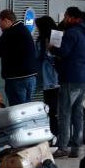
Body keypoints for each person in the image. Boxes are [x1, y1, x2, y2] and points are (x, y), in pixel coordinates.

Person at [54, 7, 85, 158]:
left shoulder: (72, 33)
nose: (64, 19)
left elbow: (63, 52)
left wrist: (52, 48)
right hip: (84, 78)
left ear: (71, 17)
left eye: (65, 16)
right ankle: (77, 147)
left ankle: (63, 147)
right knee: (78, 113)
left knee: (65, 112)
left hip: (70, 77)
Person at [0, 9, 38, 105]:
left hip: (17, 78)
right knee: (26, 107)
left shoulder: (11, 32)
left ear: (6, 21)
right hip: (30, 77)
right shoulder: (22, 29)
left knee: (17, 109)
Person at [33, 15, 61, 144]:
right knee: (52, 109)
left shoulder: (49, 39)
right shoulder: (46, 39)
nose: (37, 29)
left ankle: (55, 135)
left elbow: (42, 57)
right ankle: (54, 135)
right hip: (50, 78)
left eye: (38, 27)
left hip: (51, 78)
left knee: (52, 109)